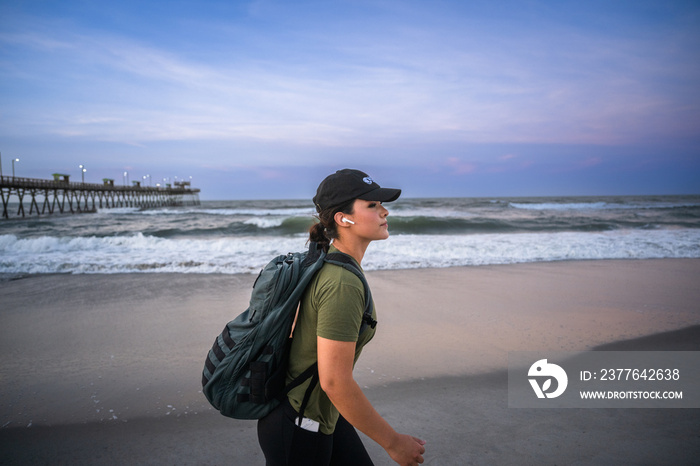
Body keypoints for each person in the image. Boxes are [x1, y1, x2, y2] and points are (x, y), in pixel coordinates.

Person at [257, 169, 426, 465]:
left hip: (322, 416)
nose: (385, 211)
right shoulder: (341, 282)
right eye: (372, 205)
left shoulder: (330, 263)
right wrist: (393, 442)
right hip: (300, 429)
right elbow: (334, 381)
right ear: (343, 218)